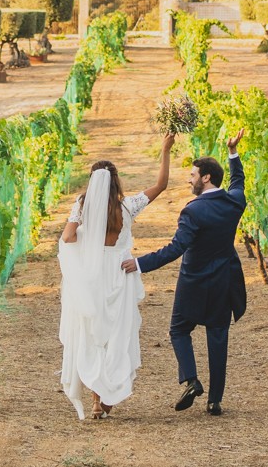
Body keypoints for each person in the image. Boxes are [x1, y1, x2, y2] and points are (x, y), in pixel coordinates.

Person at [123, 130, 247, 416]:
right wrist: (233, 153)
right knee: (218, 336)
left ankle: (192, 380)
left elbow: (176, 248)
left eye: (192, 175)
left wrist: (139, 263)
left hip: (193, 281)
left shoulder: (193, 211)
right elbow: (238, 182)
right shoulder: (235, 202)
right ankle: (215, 400)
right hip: (223, 280)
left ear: (206, 178)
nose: (189, 180)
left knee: (179, 330)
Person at [57, 133, 173, 419]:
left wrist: (87, 246)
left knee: (94, 334)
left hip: (93, 276)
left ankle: (97, 401)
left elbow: (68, 237)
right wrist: (165, 149)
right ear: (116, 181)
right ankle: (108, 396)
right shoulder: (128, 206)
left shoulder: (82, 205)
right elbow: (161, 185)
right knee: (117, 335)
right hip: (120, 275)